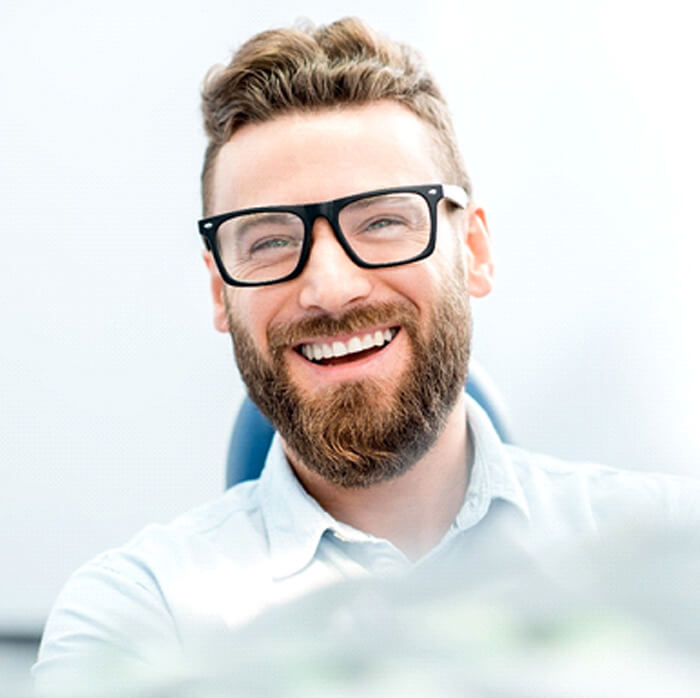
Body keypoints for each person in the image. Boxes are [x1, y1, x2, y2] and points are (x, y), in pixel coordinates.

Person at [33, 16, 699, 693]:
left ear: (472, 252)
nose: (329, 287)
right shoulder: (139, 620)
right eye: (267, 241)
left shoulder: (676, 554)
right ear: (218, 288)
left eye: (383, 222)